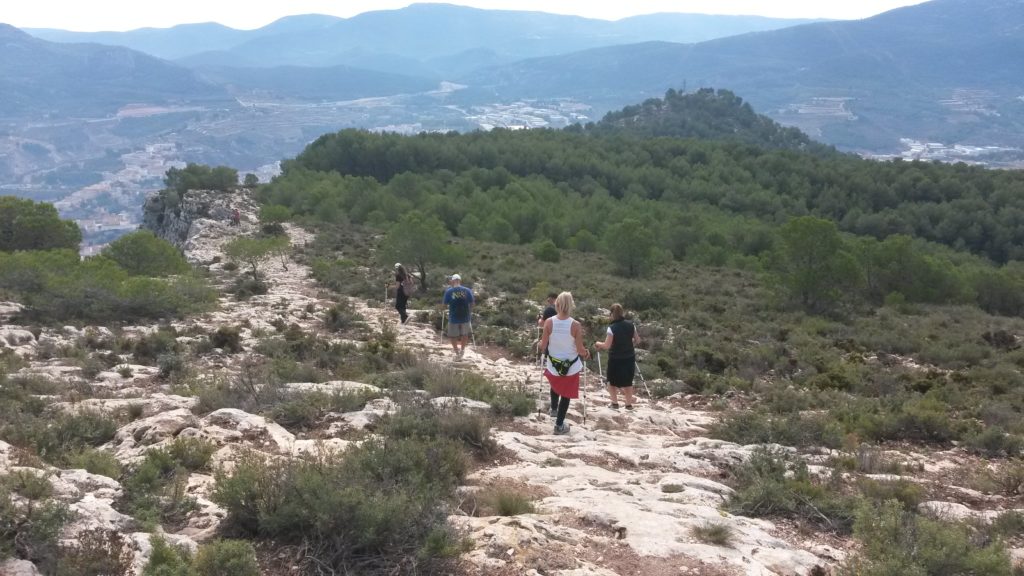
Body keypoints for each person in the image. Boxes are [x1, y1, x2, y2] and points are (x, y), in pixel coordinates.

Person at [539, 292, 590, 435]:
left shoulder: (549, 322)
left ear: (557, 304)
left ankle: (554, 410)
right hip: (571, 366)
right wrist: (586, 353)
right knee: (566, 395)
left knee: (556, 387)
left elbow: (543, 346)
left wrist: (538, 344)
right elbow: (580, 350)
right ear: (571, 305)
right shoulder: (576, 325)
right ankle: (559, 425)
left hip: (553, 364)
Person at [594, 303, 639, 410]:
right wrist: (628, 345)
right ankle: (628, 405)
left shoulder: (612, 328)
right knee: (628, 381)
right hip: (629, 357)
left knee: (612, 381)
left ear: (612, 314)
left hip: (615, 358)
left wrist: (598, 343)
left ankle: (614, 403)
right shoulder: (631, 325)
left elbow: (607, 345)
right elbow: (638, 340)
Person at [443, 273, 474, 360]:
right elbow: (472, 303)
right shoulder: (467, 290)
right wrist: (469, 311)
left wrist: (444, 309)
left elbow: (444, 305)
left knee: (453, 335)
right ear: (460, 281)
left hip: (453, 316)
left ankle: (457, 352)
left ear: (452, 281)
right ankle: (462, 350)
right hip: (465, 316)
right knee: (465, 334)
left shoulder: (449, 291)